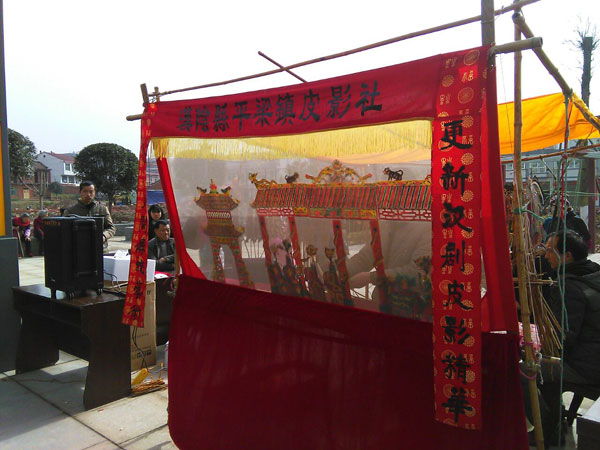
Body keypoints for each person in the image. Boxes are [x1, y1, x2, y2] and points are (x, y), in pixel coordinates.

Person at [538, 230, 600, 445]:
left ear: (567, 256)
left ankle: (549, 431)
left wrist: (539, 342)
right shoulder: (594, 272)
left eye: (550, 250)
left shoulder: (569, 286)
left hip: (588, 365)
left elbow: (563, 338)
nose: (546, 255)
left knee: (531, 369)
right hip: (592, 355)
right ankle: (556, 420)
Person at [64, 181, 116, 247]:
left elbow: (111, 228)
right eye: (85, 191)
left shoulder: (102, 209)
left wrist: (104, 236)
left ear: (94, 193)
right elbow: (64, 230)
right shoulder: (70, 211)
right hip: (77, 248)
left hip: (100, 248)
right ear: (80, 192)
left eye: (91, 192)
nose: (88, 194)